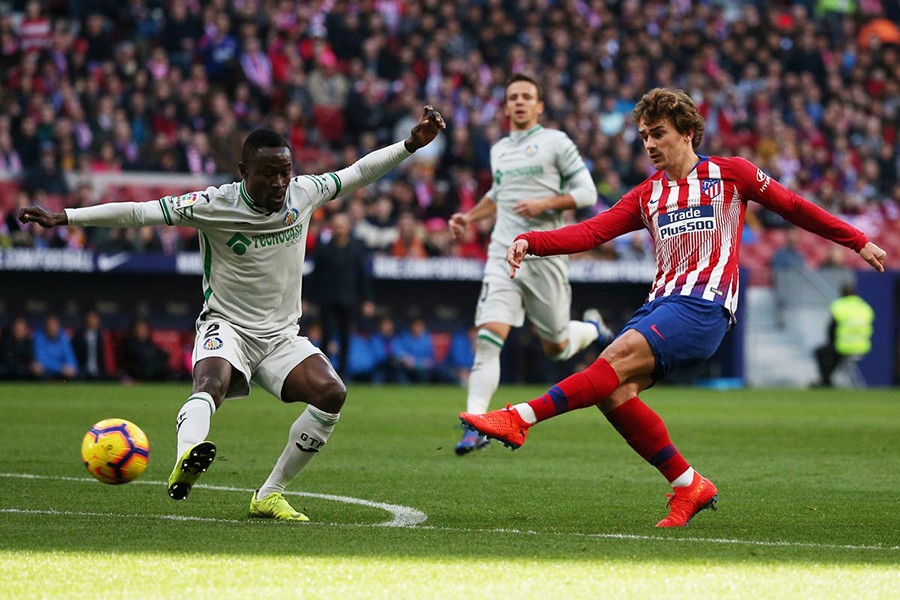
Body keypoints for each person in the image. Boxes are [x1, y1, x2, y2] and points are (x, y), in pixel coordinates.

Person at [460, 88, 886, 527]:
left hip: (705, 307)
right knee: (612, 392)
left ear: (687, 133)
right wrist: (533, 241)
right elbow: (592, 233)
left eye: (658, 134)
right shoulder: (648, 194)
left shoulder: (732, 174)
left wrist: (857, 241)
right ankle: (688, 485)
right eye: (644, 135)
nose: (649, 144)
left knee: (613, 359)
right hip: (660, 303)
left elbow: (794, 207)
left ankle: (519, 417)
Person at [19, 106, 445, 521]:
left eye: (285, 172)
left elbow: (358, 173)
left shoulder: (305, 192)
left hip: (281, 336)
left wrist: (409, 145)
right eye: (268, 173)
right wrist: (68, 217)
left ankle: (269, 494)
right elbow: (139, 213)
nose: (280, 182)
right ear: (244, 171)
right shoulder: (213, 204)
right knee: (211, 382)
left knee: (332, 393)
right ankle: (188, 453)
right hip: (226, 325)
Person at [448, 74, 612, 456]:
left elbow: (587, 192)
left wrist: (546, 205)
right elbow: (498, 195)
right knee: (489, 337)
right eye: (513, 97)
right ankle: (475, 424)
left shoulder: (556, 142)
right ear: (505, 107)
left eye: (527, 97)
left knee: (556, 346)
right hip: (502, 254)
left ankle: (591, 328)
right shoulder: (500, 149)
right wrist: (469, 218)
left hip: (545, 254)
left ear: (539, 106)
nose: (519, 102)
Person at [310, 212, 375, 377]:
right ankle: (323, 372)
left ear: (348, 228)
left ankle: (343, 373)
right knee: (326, 335)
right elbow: (316, 275)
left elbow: (362, 276)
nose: (338, 230)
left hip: (349, 298)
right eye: (336, 226)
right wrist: (307, 297)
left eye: (341, 226)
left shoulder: (357, 248)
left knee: (346, 336)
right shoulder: (324, 248)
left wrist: (367, 299)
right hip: (328, 297)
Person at [814, 284, 875, 387]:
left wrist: (832, 341)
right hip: (863, 346)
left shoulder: (839, 305)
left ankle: (826, 380)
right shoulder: (865, 307)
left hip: (843, 345)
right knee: (836, 356)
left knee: (821, 352)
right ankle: (827, 380)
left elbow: (831, 328)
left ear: (842, 293)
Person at [32, 315, 78, 380]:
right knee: (37, 368)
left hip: (63, 372)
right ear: (46, 327)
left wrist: (71, 367)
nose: (52, 327)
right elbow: (42, 360)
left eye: (54, 325)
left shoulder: (63, 337)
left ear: (58, 326)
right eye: (49, 325)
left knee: (73, 372)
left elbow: (70, 357)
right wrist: (60, 368)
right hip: (46, 371)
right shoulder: (39, 337)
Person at [71, 310, 110, 380]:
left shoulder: (104, 336)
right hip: (82, 371)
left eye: (94, 317)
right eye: (89, 317)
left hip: (100, 371)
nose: (91, 320)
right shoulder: (78, 335)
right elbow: (73, 354)